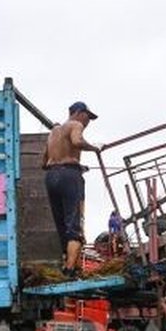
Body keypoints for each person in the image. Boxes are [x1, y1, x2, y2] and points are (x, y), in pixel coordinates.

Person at [42, 101, 101, 279]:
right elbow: (77, 141)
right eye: (87, 117)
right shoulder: (75, 125)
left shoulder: (53, 132)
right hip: (69, 177)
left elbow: (44, 162)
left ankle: (65, 262)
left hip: (51, 177)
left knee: (61, 224)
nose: (87, 121)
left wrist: (73, 164)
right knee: (73, 224)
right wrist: (94, 148)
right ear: (78, 113)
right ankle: (70, 270)